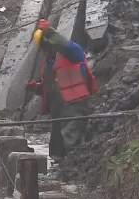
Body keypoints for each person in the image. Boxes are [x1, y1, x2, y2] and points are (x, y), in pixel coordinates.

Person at [27, 19, 99, 159]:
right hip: (58, 111)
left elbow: (66, 46)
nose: (44, 49)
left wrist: (49, 32)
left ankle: (72, 172)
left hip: (74, 107)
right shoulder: (48, 63)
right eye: (42, 46)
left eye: (45, 44)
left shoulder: (71, 52)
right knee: (56, 149)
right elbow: (52, 87)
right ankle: (57, 175)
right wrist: (36, 88)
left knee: (71, 143)